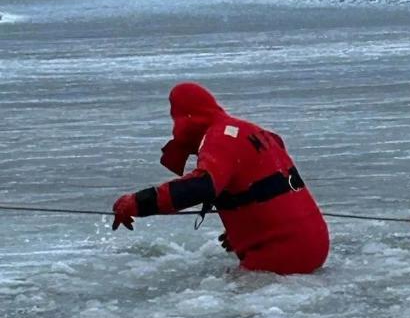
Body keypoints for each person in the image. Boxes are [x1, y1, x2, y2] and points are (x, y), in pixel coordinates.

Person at [111, 83, 329, 274]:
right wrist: (246, 228)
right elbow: (266, 184)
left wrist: (137, 203)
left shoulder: (219, 137)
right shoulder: (254, 131)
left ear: (186, 116)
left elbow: (201, 186)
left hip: (281, 252)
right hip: (315, 243)